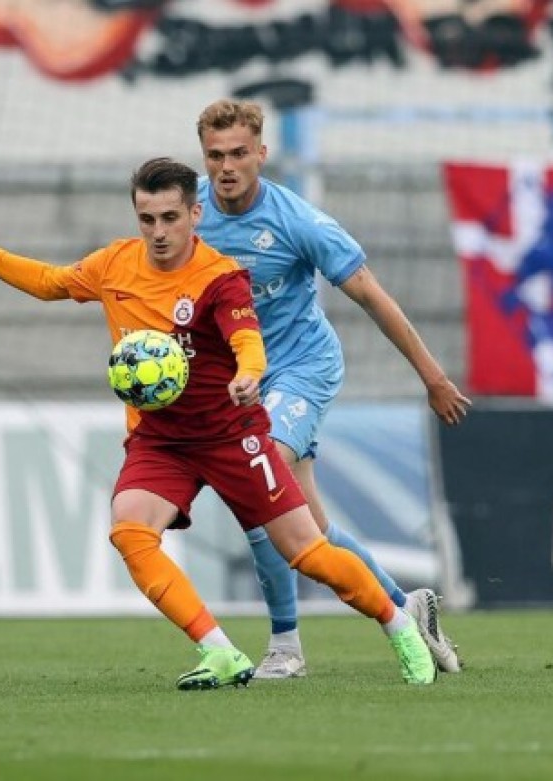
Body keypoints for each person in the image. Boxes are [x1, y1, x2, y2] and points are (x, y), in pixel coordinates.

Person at [0, 157, 437, 688]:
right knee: (130, 530)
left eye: (170, 217)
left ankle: (399, 627)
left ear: (195, 213)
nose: (159, 232)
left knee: (308, 552)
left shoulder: (221, 277)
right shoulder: (115, 265)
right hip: (162, 442)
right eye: (147, 219)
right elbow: (47, 281)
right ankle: (220, 651)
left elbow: (247, 341)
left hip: (234, 435)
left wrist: (249, 374)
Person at [194, 99, 471, 679]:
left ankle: (286, 646)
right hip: (241, 381)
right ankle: (405, 605)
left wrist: (433, 376)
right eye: (215, 155)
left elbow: (372, 295)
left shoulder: (298, 221)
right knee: (311, 531)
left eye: (239, 154)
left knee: (258, 475)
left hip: (301, 368)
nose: (226, 166)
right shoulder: (188, 211)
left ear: (261, 155)